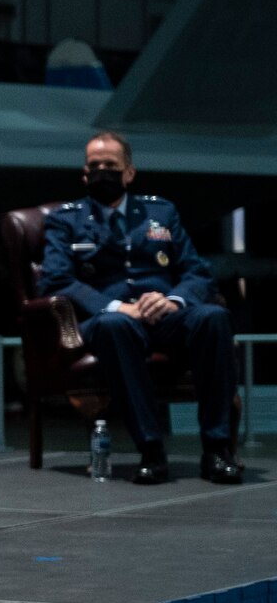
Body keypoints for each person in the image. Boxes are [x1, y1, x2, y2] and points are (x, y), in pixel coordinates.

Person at [38, 132, 241, 486]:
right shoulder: (66, 219)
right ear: (84, 173)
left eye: (111, 166)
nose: (102, 172)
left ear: (129, 173)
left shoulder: (160, 211)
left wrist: (173, 299)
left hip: (164, 314)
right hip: (108, 320)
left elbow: (197, 272)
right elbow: (56, 280)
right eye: (94, 166)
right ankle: (151, 451)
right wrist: (117, 306)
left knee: (213, 318)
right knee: (117, 326)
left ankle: (217, 449)